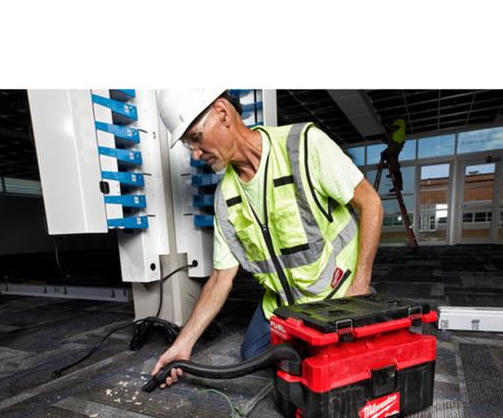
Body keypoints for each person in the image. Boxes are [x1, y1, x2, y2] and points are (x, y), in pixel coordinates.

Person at [152, 89, 383, 387]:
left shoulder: (304, 146)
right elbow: (221, 278)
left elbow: (370, 203)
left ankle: (356, 315)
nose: (195, 154)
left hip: (335, 296)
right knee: (253, 354)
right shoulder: (226, 197)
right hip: (283, 303)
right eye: (188, 145)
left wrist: (359, 287)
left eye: (196, 138)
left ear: (222, 113)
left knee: (336, 367)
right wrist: (182, 345)